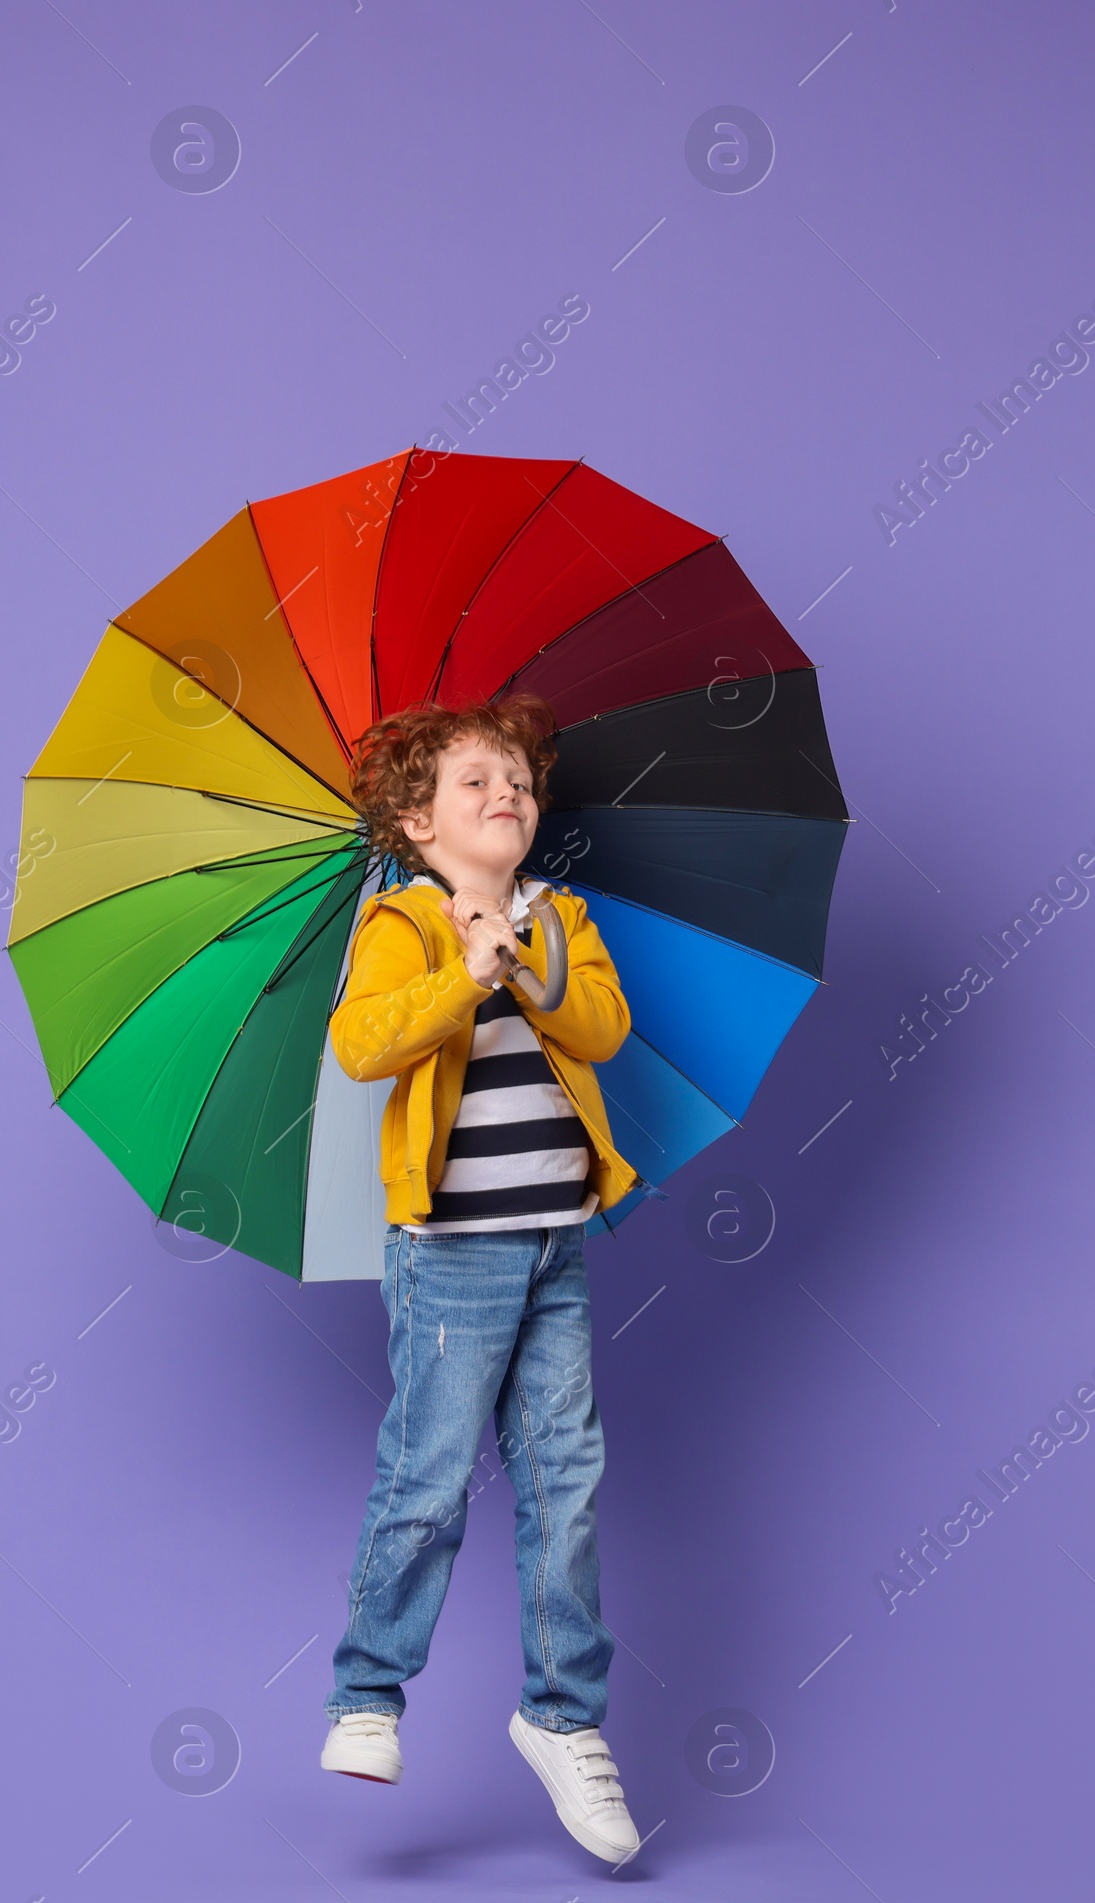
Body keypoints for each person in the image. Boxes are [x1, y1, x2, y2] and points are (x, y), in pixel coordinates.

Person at [318, 692, 644, 1866]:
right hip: (450, 1251)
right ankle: (368, 1691)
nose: (505, 790)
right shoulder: (400, 926)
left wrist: (530, 968)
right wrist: (461, 971)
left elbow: (602, 1028)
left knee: (568, 1476)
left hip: (555, 1239)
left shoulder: (562, 915)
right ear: (416, 820)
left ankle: (564, 1718)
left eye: (517, 776)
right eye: (474, 780)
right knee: (432, 1472)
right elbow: (364, 1045)